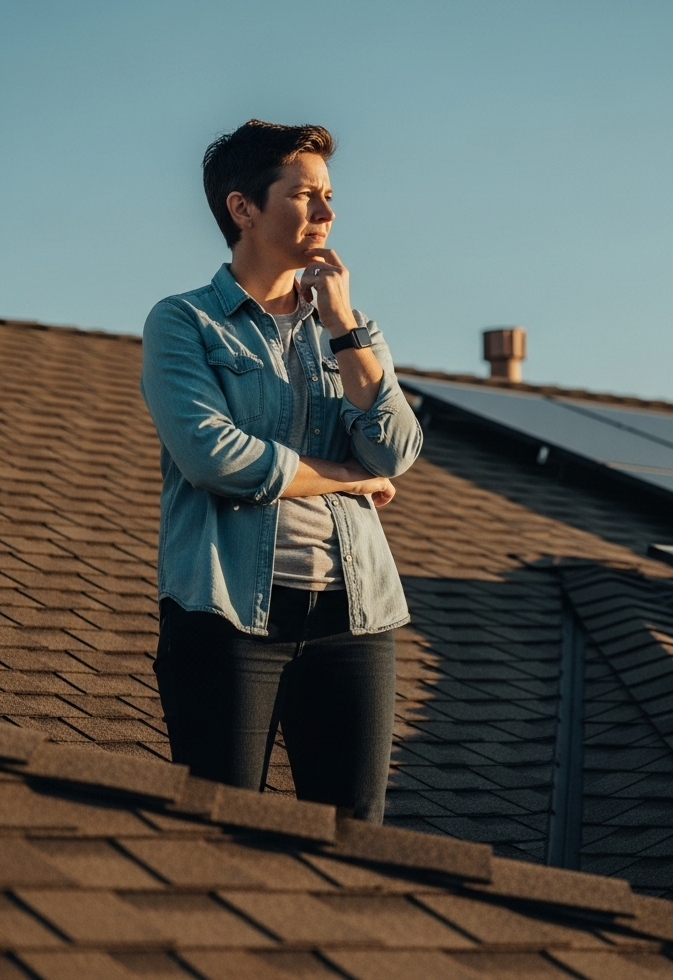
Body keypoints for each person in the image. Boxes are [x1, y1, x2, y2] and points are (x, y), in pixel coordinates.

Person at [140, 120, 421, 823]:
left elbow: (396, 452)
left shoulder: (351, 328)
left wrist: (344, 328)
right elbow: (217, 459)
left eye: (329, 195)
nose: (327, 214)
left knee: (355, 843)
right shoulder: (186, 324)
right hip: (227, 614)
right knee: (222, 835)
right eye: (305, 196)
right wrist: (349, 480)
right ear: (244, 208)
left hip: (351, 619)